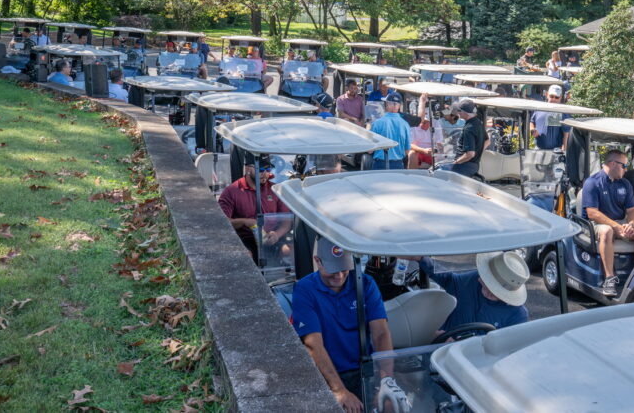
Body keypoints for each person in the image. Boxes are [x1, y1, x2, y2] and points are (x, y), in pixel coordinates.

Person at [291, 238, 399, 413]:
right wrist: (339, 390)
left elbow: (380, 333)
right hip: (329, 373)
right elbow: (312, 343)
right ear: (318, 261)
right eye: (333, 270)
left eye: (343, 269)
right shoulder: (304, 290)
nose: (339, 276)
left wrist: (386, 382)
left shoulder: (365, 283)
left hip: (365, 370)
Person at [409, 252, 530, 333]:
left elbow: (505, 353)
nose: (489, 292)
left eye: (496, 291)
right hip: (440, 349)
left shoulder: (517, 316)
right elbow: (448, 279)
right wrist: (420, 258)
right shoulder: (473, 280)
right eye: (489, 284)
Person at [582, 150, 634, 293]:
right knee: (607, 231)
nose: (626, 169)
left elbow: (632, 210)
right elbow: (592, 213)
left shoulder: (625, 184)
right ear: (612, 164)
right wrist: (617, 226)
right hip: (597, 224)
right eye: (624, 165)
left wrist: (631, 224)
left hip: (619, 222)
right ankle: (609, 279)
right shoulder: (592, 182)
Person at [217, 158, 292, 264]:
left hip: (270, 237)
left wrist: (277, 234)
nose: (265, 173)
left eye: (268, 169)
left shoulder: (275, 189)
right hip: (245, 238)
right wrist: (245, 221)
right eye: (260, 169)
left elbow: (286, 221)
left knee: (290, 250)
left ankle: (289, 279)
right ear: (247, 169)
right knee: (246, 256)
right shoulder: (231, 191)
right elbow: (222, 222)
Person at [442, 98, 484, 177]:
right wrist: (478, 151)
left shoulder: (468, 128)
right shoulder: (479, 123)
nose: (458, 113)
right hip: (474, 165)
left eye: (459, 111)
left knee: (437, 172)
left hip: (463, 166)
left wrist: (456, 162)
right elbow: (487, 141)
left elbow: (470, 154)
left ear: (465, 113)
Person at [369, 92, 410, 169]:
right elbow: (407, 151)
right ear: (399, 106)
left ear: (387, 104)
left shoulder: (377, 123)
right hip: (398, 164)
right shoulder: (405, 125)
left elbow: (370, 150)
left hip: (379, 164)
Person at [530, 84, 570, 151]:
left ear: (560, 97)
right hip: (538, 149)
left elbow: (566, 133)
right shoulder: (539, 108)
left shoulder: (563, 112)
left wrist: (564, 151)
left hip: (555, 151)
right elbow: (532, 121)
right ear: (547, 94)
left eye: (556, 97)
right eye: (551, 96)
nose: (553, 99)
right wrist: (532, 130)